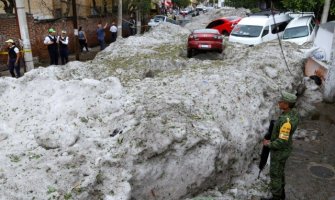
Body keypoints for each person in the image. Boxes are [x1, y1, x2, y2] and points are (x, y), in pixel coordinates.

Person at [262, 91, 300, 200]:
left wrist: (269, 144)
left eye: (281, 101)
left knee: (275, 175)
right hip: (285, 150)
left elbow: (282, 141)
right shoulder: (294, 113)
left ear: (287, 105)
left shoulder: (286, 122)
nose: (279, 102)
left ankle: (277, 197)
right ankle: (281, 194)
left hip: (280, 152)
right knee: (280, 172)